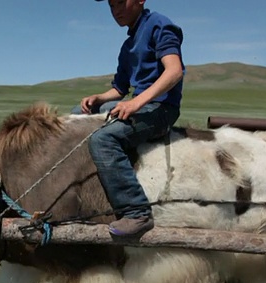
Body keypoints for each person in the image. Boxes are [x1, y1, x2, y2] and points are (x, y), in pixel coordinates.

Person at [72, 0, 184, 238]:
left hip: (161, 109)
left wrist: (136, 102)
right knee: (77, 114)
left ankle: (137, 211)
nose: (116, 10)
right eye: (112, 6)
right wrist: (99, 98)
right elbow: (120, 89)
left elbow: (174, 71)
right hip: (140, 103)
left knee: (103, 140)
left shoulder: (159, 25)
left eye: (121, 2)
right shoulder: (128, 45)